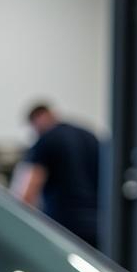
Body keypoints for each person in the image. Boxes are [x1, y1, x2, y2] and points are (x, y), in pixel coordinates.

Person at [15, 102, 101, 247]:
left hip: (64, 226)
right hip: (97, 224)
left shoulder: (47, 140)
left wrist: (14, 222)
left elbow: (29, 189)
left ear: (38, 119)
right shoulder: (89, 136)